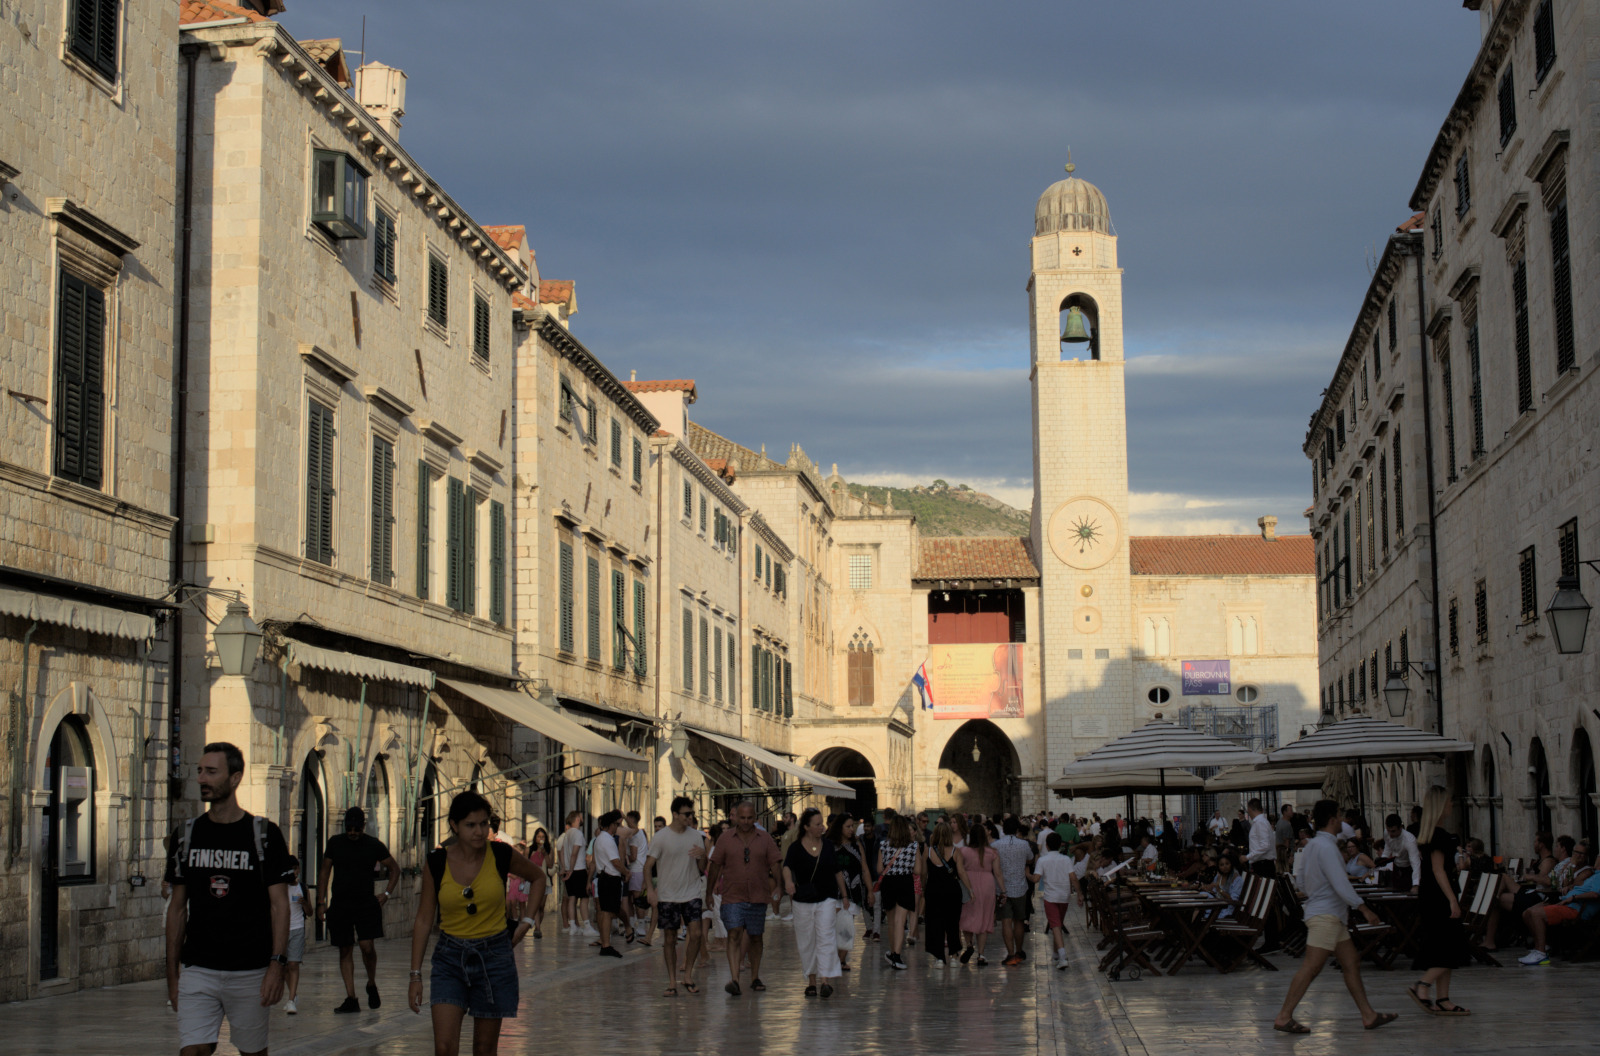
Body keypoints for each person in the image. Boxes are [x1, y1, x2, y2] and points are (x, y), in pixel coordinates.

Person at [164, 742, 292, 1056]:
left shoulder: (263, 834)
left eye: (211, 772)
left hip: (249, 971)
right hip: (199, 968)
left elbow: (280, 905)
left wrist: (277, 965)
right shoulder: (186, 836)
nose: (201, 779)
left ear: (234, 778)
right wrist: (172, 973)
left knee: (252, 1052)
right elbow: (177, 909)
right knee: (191, 1050)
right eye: (199, 771)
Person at [407, 791, 546, 1056]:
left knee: (484, 1049)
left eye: (484, 824)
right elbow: (424, 919)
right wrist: (415, 975)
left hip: (493, 958)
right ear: (455, 826)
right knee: (444, 1047)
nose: (480, 831)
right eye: (471, 825)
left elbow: (538, 877)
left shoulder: (501, 854)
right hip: (450, 958)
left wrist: (526, 922)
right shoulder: (437, 862)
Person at [1272, 799, 1397, 1035]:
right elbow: (1341, 884)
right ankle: (1284, 1016)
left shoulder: (1311, 846)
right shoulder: (1328, 848)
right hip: (1326, 916)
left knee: (1351, 962)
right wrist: (1364, 908)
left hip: (1329, 915)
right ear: (1332, 819)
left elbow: (1301, 881)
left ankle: (1368, 1015)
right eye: (1339, 816)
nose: (1342, 820)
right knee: (1311, 967)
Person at [317, 806, 399, 1013]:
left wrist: (387, 893)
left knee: (367, 947)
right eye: (349, 828)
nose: (352, 832)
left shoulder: (373, 845)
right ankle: (351, 997)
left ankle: (371, 983)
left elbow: (395, 869)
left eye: (356, 829)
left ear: (363, 826)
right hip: (341, 904)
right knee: (344, 949)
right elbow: (324, 872)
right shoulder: (335, 843)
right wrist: (320, 902)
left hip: (365, 904)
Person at [1406, 787, 1472, 1015]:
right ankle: (1422, 985)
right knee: (1452, 946)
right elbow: (1438, 870)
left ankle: (1443, 998)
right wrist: (1453, 900)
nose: (1452, 806)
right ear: (1441, 805)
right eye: (1449, 802)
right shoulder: (1439, 835)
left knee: (1444, 946)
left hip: (1431, 894)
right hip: (1439, 896)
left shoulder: (1431, 834)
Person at [706, 801, 782, 995]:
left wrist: (779, 887)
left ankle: (755, 976)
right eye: (742, 818)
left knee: (756, 937)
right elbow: (715, 865)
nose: (746, 822)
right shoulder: (725, 839)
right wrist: (708, 891)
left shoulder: (764, 838)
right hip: (732, 895)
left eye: (750, 818)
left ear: (755, 818)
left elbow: (775, 863)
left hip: (758, 895)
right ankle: (734, 978)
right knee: (734, 933)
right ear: (735, 817)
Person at [783, 807, 851, 997]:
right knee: (807, 940)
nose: (822, 827)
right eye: (818, 824)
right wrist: (788, 882)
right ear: (806, 827)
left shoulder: (828, 846)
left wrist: (844, 896)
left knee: (826, 936)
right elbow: (787, 867)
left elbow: (837, 871)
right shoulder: (795, 848)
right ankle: (811, 980)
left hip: (826, 898)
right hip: (803, 900)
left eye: (822, 823)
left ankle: (825, 981)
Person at [646, 796, 708, 995]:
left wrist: (703, 856)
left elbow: (702, 867)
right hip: (668, 894)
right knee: (670, 938)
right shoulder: (661, 837)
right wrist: (650, 891)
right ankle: (672, 981)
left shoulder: (696, 836)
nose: (690, 817)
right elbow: (648, 866)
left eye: (692, 814)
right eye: (686, 814)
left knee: (696, 934)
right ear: (675, 814)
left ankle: (688, 975)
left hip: (691, 892)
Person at [1521, 842, 1600, 964]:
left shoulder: (1594, 874)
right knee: (1527, 913)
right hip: (1566, 902)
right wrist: (1573, 886)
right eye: (1575, 852)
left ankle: (1541, 954)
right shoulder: (1594, 875)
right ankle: (1541, 947)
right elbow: (1570, 883)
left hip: (1576, 908)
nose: (1597, 859)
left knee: (1536, 914)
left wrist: (1573, 897)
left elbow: (1595, 894)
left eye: (1581, 853)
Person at [876, 813, 923, 970]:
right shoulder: (913, 846)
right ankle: (897, 954)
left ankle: (892, 951)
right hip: (905, 881)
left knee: (891, 921)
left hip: (889, 882)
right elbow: (918, 869)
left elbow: (879, 869)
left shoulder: (883, 845)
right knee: (900, 921)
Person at [923, 820, 970, 967]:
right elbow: (961, 872)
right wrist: (970, 889)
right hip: (952, 892)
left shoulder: (928, 851)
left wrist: (925, 889)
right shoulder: (956, 852)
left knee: (935, 923)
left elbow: (924, 874)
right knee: (952, 923)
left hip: (933, 891)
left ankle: (939, 957)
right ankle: (954, 954)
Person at [826, 814, 870, 971]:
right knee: (832, 927)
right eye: (848, 826)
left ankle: (841, 960)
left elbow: (864, 867)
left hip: (853, 890)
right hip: (832, 891)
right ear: (840, 827)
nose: (852, 830)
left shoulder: (857, 845)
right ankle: (833, 960)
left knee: (847, 927)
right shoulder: (829, 845)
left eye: (853, 826)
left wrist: (870, 890)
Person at [1027, 832, 1075, 969]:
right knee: (1057, 925)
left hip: (1050, 897)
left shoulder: (1042, 860)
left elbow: (1036, 879)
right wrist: (1081, 894)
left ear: (1046, 846)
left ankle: (1063, 957)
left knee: (1056, 926)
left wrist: (1027, 875)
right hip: (1064, 896)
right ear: (1060, 845)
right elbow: (1073, 877)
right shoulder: (1066, 859)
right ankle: (1056, 953)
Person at [992, 816, 1034, 966]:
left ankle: (1010, 954)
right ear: (1017, 829)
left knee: (1006, 921)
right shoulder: (1024, 844)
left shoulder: (996, 845)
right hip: (1020, 887)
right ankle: (1019, 950)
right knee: (1019, 921)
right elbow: (1030, 859)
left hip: (1002, 888)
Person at [592, 811, 627, 957]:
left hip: (603, 877)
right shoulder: (607, 840)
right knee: (608, 912)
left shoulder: (600, 839)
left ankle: (606, 942)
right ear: (611, 825)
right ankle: (606, 944)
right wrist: (627, 872)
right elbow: (615, 862)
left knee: (608, 911)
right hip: (609, 878)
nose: (617, 827)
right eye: (617, 824)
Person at [556, 811, 592, 936]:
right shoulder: (577, 833)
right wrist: (571, 869)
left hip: (570, 870)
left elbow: (561, 851)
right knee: (584, 898)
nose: (582, 819)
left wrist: (564, 868)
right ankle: (587, 926)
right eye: (581, 817)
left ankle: (573, 926)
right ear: (577, 819)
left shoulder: (566, 835)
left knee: (572, 898)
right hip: (578, 869)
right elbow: (574, 853)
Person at [284, 856, 306, 1015]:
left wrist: (304, 903)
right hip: (282, 930)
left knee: (293, 964)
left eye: (296, 868)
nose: (294, 872)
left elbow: (310, 911)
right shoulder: (280, 888)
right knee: (283, 966)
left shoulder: (302, 888)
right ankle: (293, 993)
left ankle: (291, 1000)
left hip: (297, 928)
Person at [1380, 813, 1422, 891]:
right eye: (1388, 831)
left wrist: (1416, 884)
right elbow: (1388, 846)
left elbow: (1415, 863)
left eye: (1393, 831)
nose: (1390, 834)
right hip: (1396, 866)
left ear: (1400, 828)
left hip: (1408, 869)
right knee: (1395, 890)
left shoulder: (1409, 840)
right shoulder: (1386, 833)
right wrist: (1383, 859)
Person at [525, 828, 552, 938]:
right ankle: (538, 928)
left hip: (545, 880)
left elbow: (550, 865)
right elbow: (525, 864)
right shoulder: (529, 850)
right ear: (535, 838)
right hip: (534, 880)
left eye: (543, 837)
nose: (541, 839)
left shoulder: (549, 850)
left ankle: (538, 925)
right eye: (539, 837)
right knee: (536, 905)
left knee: (541, 906)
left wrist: (545, 853)